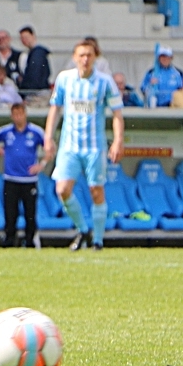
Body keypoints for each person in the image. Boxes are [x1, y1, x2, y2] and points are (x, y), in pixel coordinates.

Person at [43, 39, 123, 252]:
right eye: (81, 55)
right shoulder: (64, 79)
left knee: (96, 191)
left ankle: (98, 240)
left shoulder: (105, 82)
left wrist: (117, 140)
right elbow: (55, 109)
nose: (85, 59)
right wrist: (48, 137)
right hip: (69, 146)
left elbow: (117, 114)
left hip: (94, 147)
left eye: (89, 55)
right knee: (62, 189)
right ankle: (83, 229)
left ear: (95, 57)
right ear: (74, 57)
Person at [0, 102, 44, 248]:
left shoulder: (35, 132)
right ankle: (9, 241)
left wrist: (41, 165)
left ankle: (30, 241)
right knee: (10, 213)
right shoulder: (6, 131)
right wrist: (0, 151)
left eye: (21, 114)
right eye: (15, 114)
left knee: (30, 214)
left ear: (25, 114)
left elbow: (50, 148)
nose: (18, 117)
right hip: (11, 179)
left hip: (29, 180)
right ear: (12, 116)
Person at [16, 26, 51, 94]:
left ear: (33, 36)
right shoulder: (33, 53)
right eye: (22, 38)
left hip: (36, 92)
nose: (24, 40)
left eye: (26, 37)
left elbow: (34, 75)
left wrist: (24, 85)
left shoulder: (37, 54)